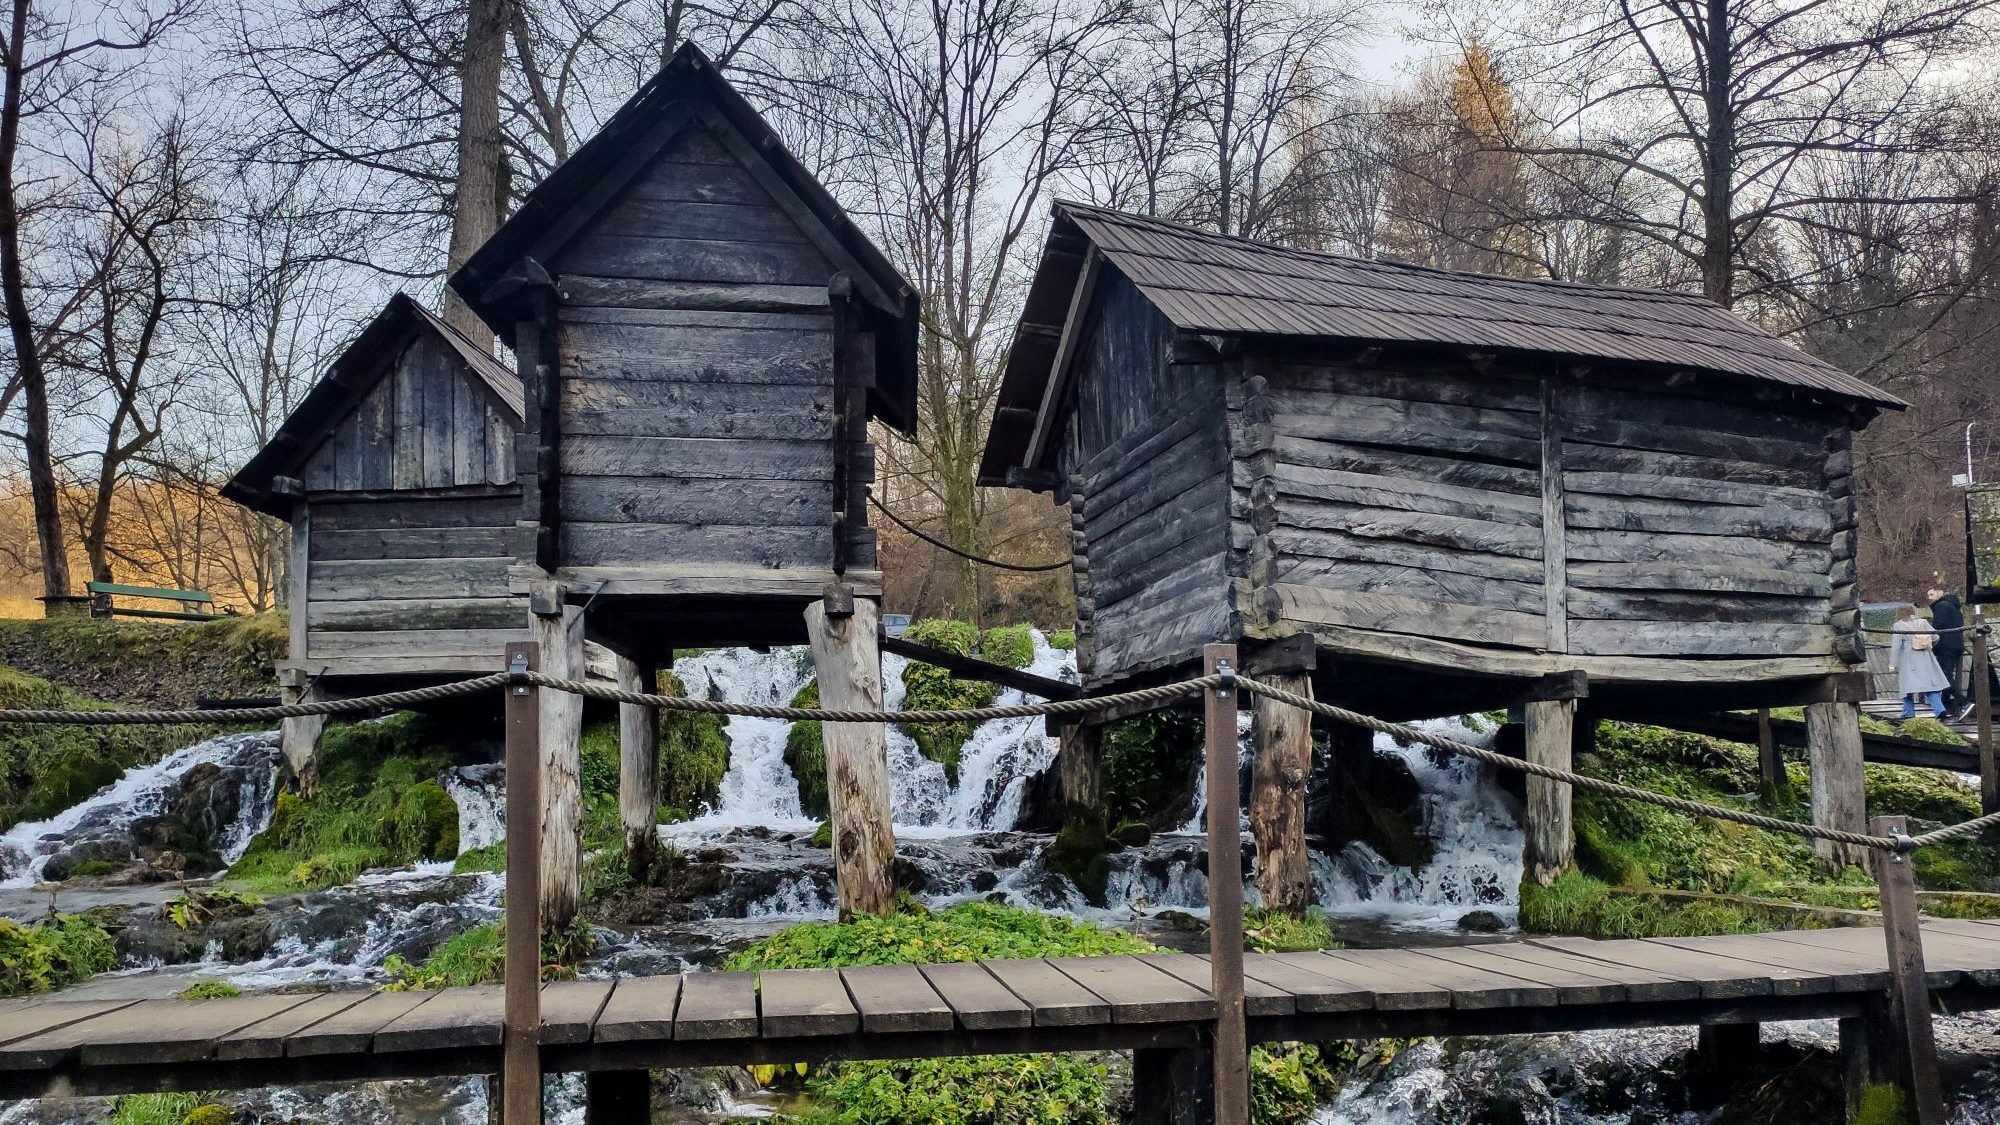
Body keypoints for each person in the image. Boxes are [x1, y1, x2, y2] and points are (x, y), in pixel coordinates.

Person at [1891, 604, 1951, 720]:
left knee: (1907, 688)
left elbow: (1896, 646)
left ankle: (1908, 713)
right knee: (1931, 686)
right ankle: (1940, 710)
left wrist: (1893, 664)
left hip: (1908, 660)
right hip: (1926, 658)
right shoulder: (1923, 622)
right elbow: (1935, 638)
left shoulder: (1898, 625)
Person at [1928, 584, 1967, 713]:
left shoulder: (1942, 606)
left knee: (1944, 675)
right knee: (1946, 674)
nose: (1929, 598)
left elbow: (1938, 626)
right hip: (1956, 643)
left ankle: (1963, 701)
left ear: (1940, 592)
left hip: (1946, 645)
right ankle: (1946, 705)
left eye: (1931, 594)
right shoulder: (1954, 607)